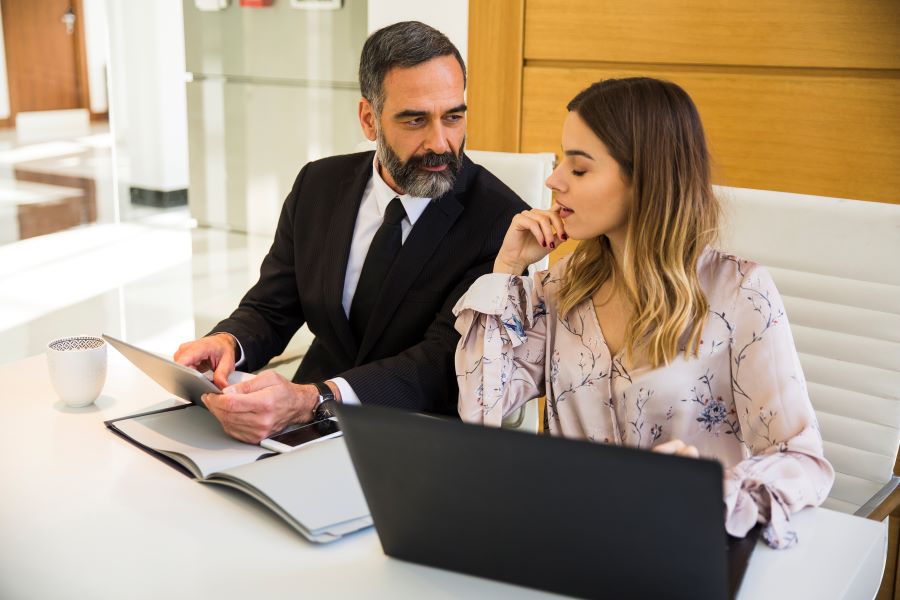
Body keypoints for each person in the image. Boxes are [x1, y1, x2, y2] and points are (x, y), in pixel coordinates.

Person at [453, 77, 834, 549]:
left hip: (683, 547)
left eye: (579, 169)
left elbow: (801, 459)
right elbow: (482, 410)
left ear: (644, 179)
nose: (554, 180)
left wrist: (706, 488)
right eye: (560, 163)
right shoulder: (562, 286)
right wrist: (508, 268)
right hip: (568, 540)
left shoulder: (739, 294)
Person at [174, 21, 528, 444]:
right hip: (299, 424)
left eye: (453, 117)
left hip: (418, 434)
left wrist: (314, 398)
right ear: (369, 119)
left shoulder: (500, 223)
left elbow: (441, 363)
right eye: (416, 120)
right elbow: (274, 305)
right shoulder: (318, 185)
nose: (440, 142)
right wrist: (229, 341)